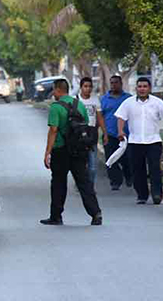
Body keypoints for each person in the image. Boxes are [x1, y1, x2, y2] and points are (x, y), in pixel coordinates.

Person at [41, 79, 102, 226]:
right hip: (79, 150)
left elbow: (53, 130)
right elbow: (86, 125)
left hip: (61, 150)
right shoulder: (79, 105)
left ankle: (56, 216)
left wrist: (47, 152)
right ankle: (96, 213)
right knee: (84, 182)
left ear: (57, 90)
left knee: (58, 183)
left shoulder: (56, 107)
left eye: (54, 91)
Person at [115, 77, 163, 205]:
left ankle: (157, 194)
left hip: (153, 141)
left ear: (149, 88)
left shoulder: (157, 102)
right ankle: (142, 195)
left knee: (154, 169)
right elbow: (120, 117)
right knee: (137, 169)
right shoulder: (128, 102)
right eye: (140, 86)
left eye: (145, 86)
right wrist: (120, 131)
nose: (142, 89)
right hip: (135, 141)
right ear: (136, 88)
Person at [101, 75, 132, 190]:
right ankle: (115, 181)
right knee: (110, 158)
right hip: (109, 134)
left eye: (116, 83)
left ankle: (129, 177)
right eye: (112, 83)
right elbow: (100, 116)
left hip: (126, 134)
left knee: (127, 158)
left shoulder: (128, 98)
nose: (114, 85)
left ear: (121, 84)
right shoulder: (104, 99)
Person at [78, 77, 107, 186]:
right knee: (81, 163)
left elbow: (100, 118)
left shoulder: (95, 100)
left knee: (93, 166)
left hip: (92, 133)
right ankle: (81, 184)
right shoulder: (76, 100)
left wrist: (105, 133)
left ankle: (90, 186)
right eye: (85, 86)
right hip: (79, 133)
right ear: (81, 87)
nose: (88, 89)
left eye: (90, 86)